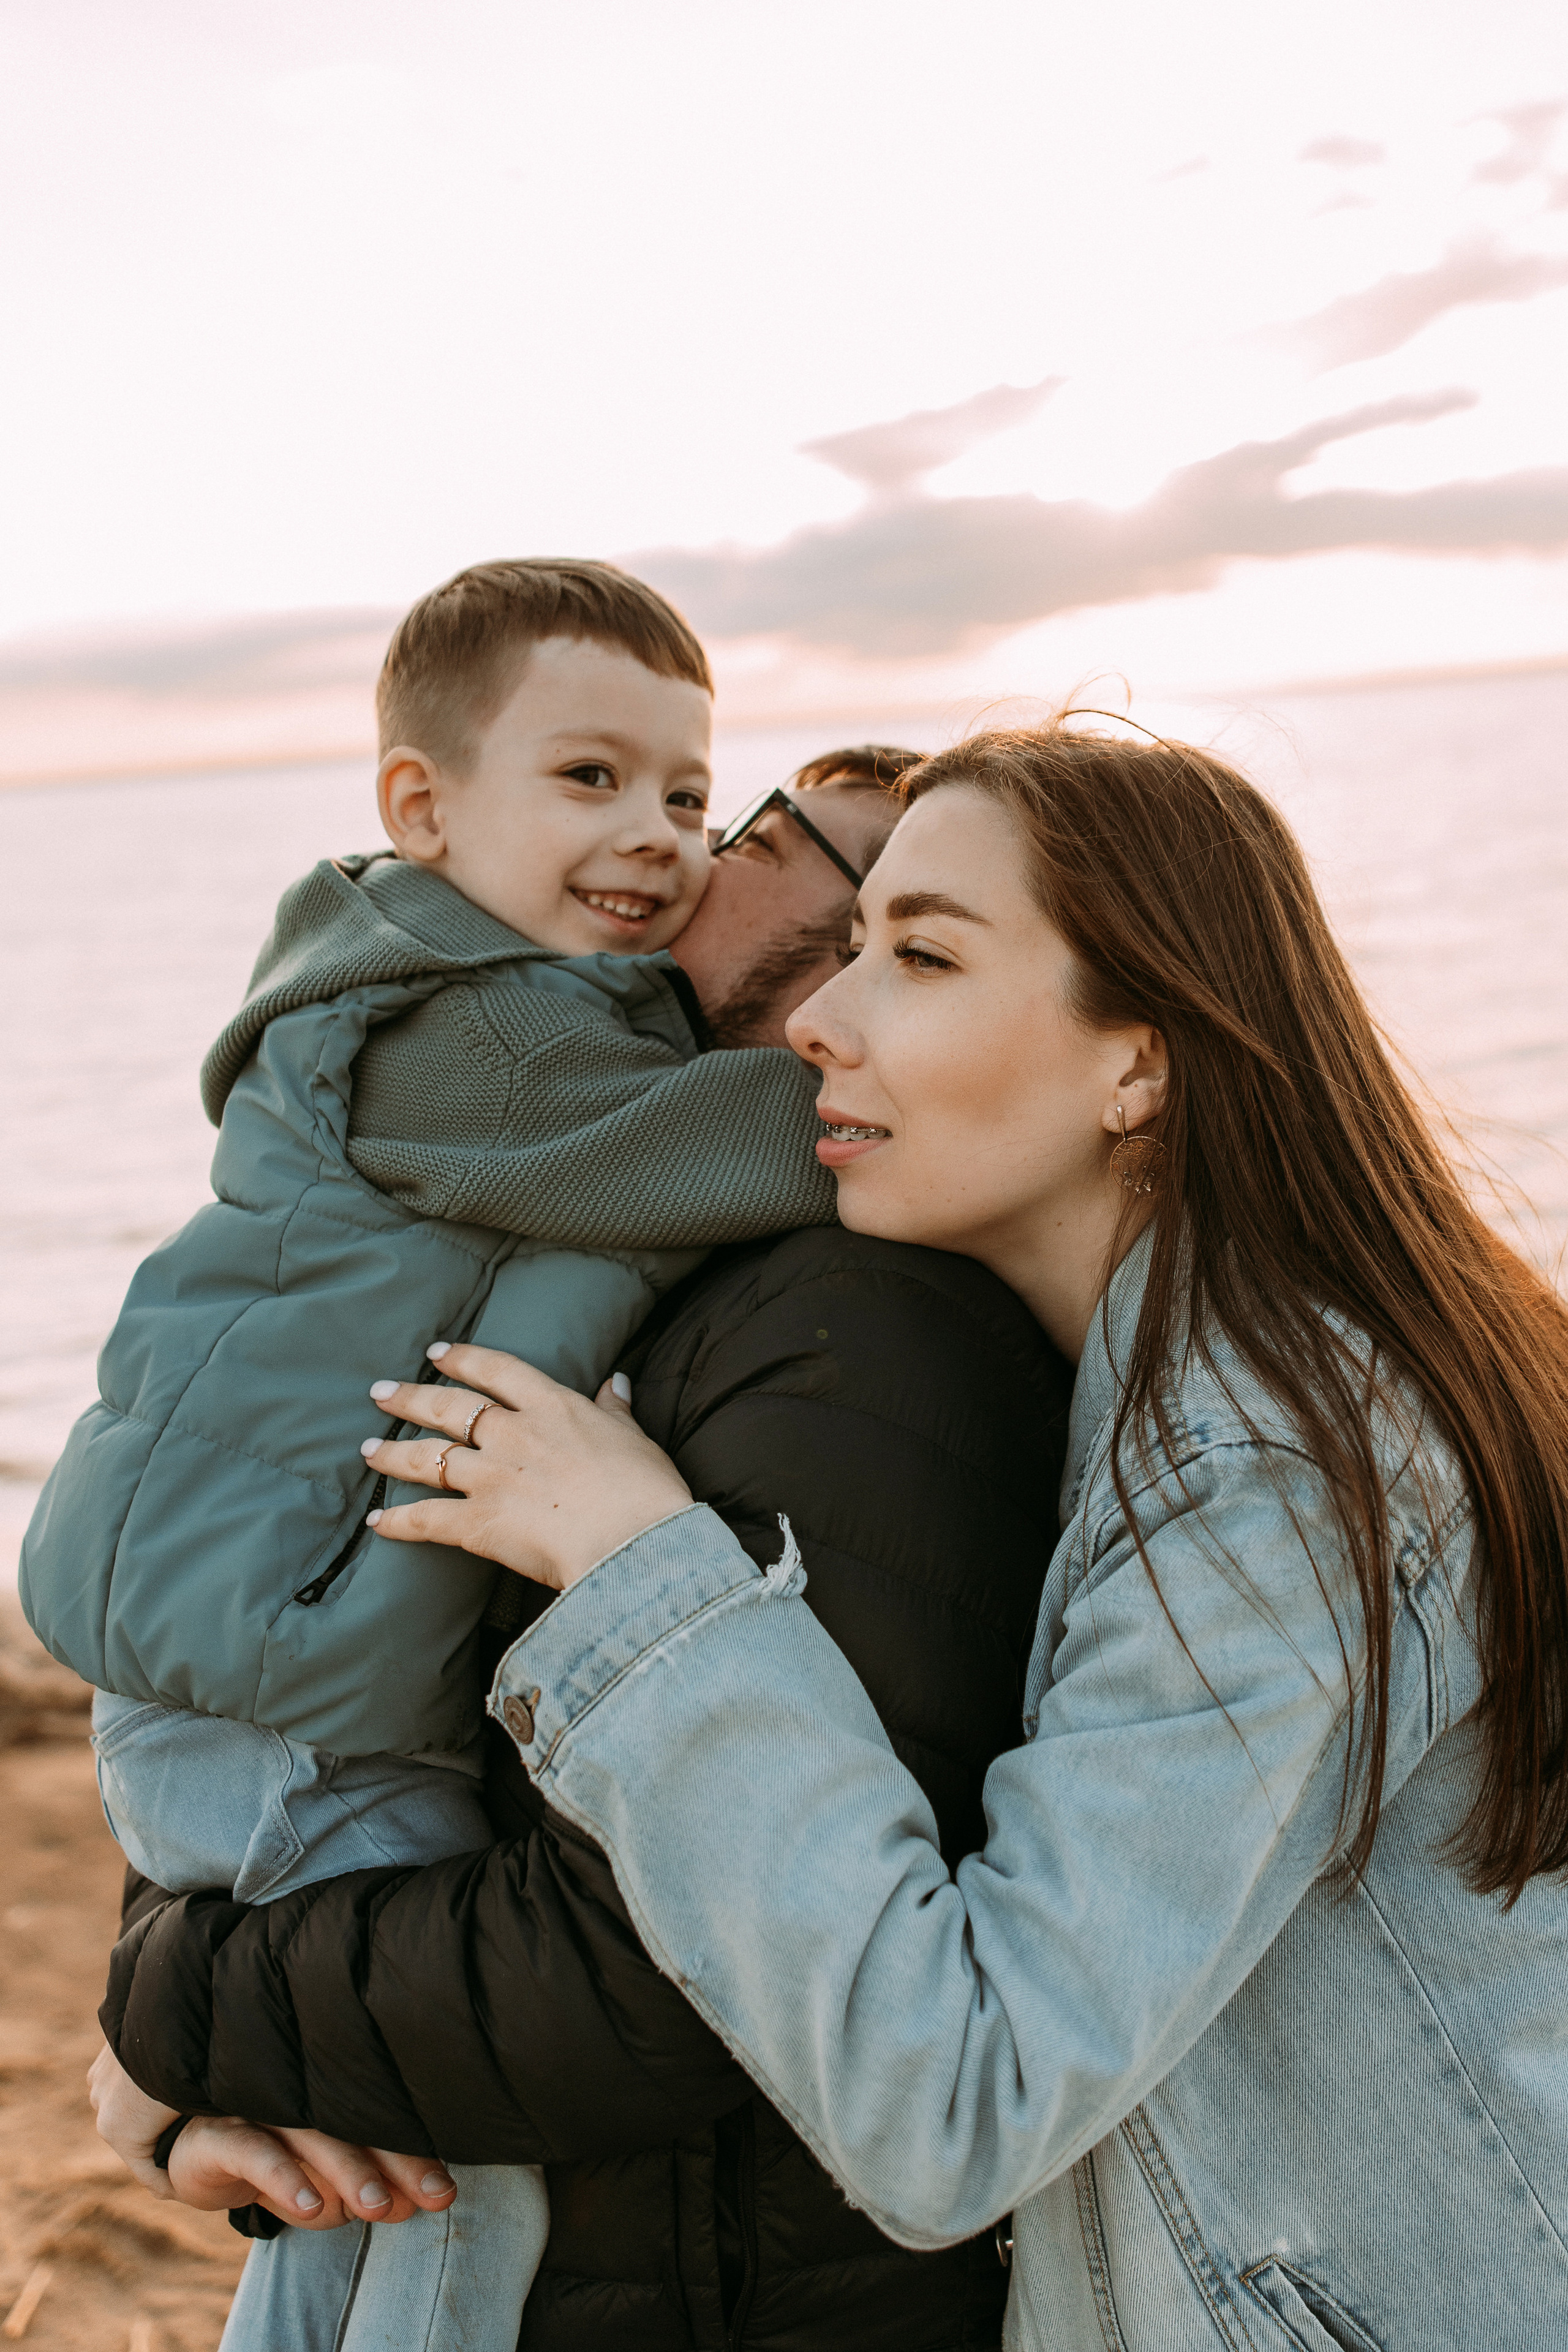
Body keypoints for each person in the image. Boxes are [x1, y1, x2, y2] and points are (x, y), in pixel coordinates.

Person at [111, 722, 1568, 2350]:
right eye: (856, 941)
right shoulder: (1155, 1392)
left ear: (1139, 1063)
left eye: (921, 956)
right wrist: (173, 2030)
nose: (820, 1014)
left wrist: (642, 1573)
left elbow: (954, 2105)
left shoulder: (1268, 1473)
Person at [89, 728, 1077, 2351]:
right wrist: (200, 2041)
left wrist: (175, 2010)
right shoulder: (577, 1230)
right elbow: (311, 1692)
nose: (681, 855)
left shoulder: (857, 1319)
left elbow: (647, 1976)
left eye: (752, 830)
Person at [21, 552, 863, 2352]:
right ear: (422, 807)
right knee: (447, 2174)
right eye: (591, 777)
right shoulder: (466, 1034)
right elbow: (719, 1149)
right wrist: (939, 1078)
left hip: (271, 1649)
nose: (658, 837)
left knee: (338, 2161)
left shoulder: (527, 1003)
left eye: (691, 797)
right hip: (284, 1681)